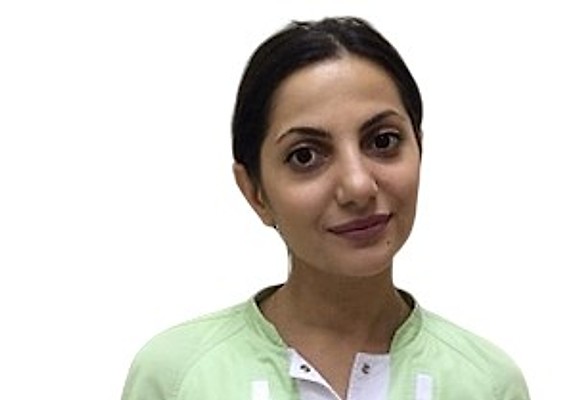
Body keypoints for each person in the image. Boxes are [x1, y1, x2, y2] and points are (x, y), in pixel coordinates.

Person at [121, 16, 529, 400]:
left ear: (420, 149)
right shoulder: (177, 377)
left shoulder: (486, 384)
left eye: (383, 141)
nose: (357, 186)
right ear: (255, 192)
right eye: (305, 155)